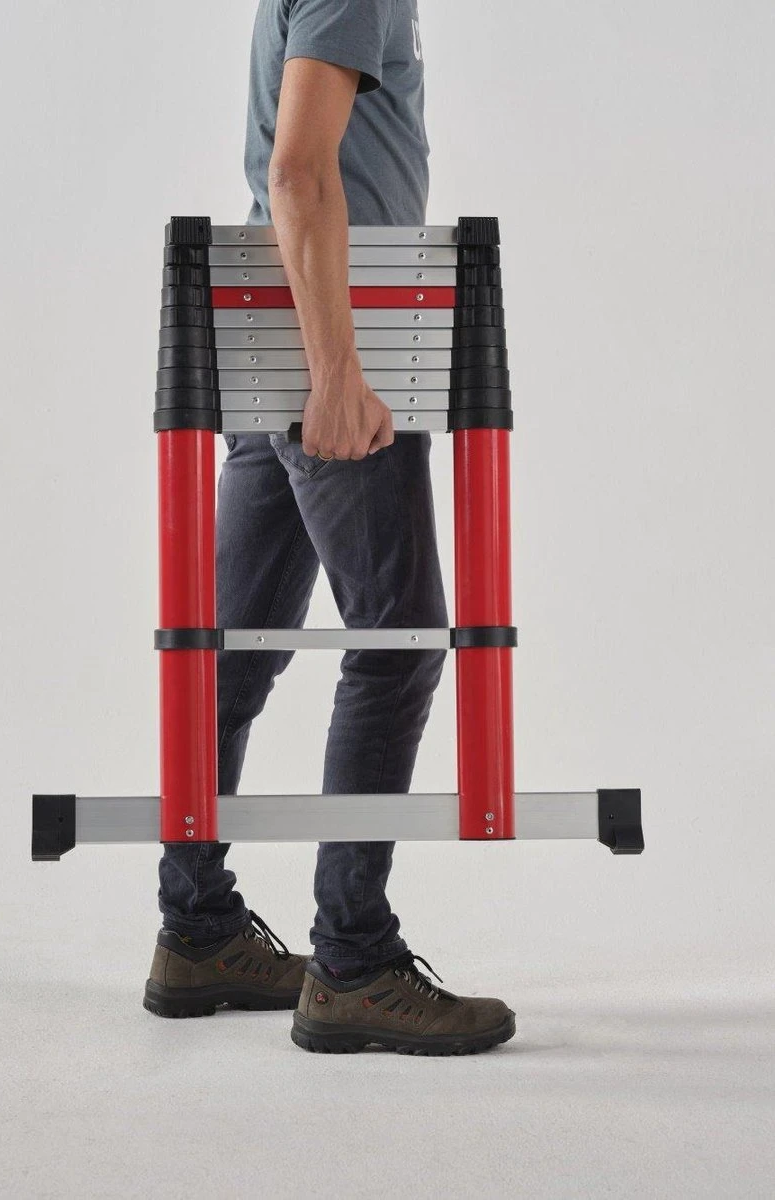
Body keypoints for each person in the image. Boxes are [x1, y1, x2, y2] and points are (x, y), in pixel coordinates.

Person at [144, 0, 516, 1055]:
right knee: (399, 644)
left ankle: (197, 930)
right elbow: (300, 174)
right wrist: (338, 376)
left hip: (284, 345)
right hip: (337, 353)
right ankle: (353, 960)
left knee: (224, 659)